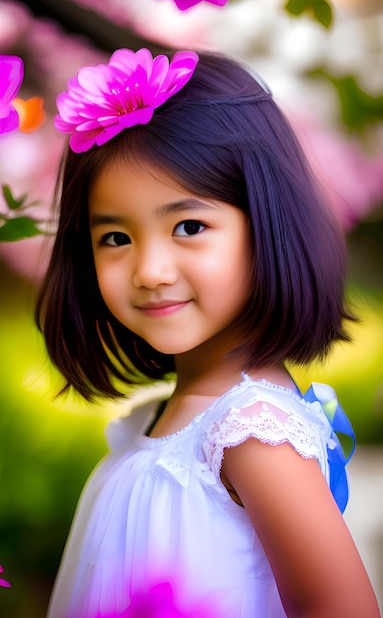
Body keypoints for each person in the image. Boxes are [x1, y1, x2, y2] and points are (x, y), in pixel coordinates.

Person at [36, 48, 380, 618]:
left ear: (266, 223)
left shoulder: (251, 434)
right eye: (115, 238)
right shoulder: (165, 421)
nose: (150, 271)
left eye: (189, 226)